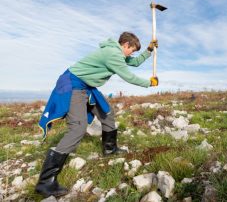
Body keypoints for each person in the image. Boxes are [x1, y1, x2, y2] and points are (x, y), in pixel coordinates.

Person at [35, 31, 158, 198]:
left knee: (107, 113)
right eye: (133, 50)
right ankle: (45, 182)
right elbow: (128, 76)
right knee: (77, 129)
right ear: (125, 45)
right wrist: (149, 83)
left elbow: (134, 63)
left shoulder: (117, 53)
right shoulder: (113, 54)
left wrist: (149, 51)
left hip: (87, 86)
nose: (132, 53)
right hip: (74, 84)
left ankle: (110, 149)